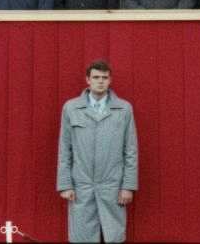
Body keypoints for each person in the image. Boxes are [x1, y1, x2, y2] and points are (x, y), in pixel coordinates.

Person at [56, 60, 138, 243]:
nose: (100, 81)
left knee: (115, 236)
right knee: (82, 237)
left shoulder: (123, 109)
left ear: (110, 80)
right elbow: (64, 149)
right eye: (96, 77)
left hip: (113, 185)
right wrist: (65, 184)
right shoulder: (71, 108)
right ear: (88, 79)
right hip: (81, 185)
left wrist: (128, 186)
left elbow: (131, 150)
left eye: (104, 78)